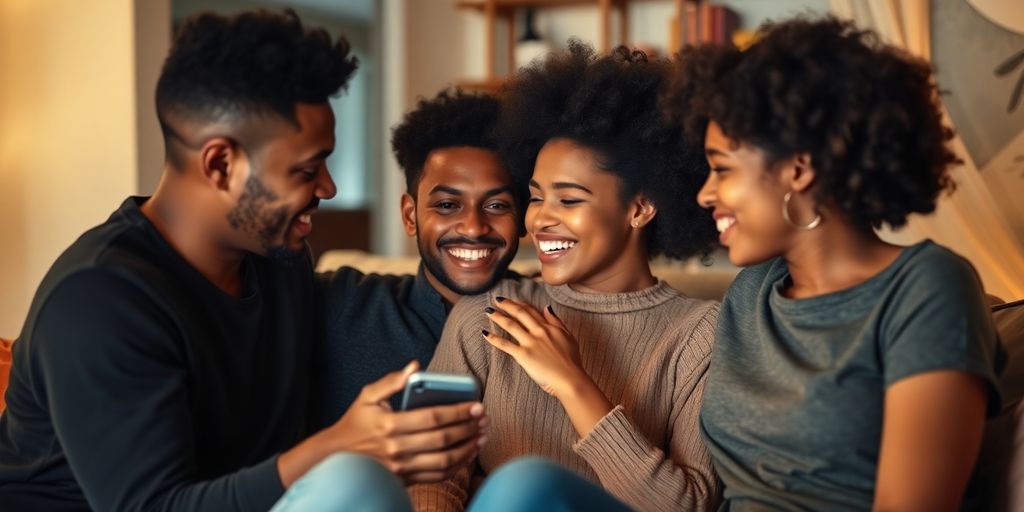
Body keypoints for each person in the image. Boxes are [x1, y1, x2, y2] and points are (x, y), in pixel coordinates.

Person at [0, 11, 483, 511]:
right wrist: (337, 446)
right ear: (221, 164)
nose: (328, 188)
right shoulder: (99, 298)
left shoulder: (279, 265)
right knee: (355, 484)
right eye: (306, 169)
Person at [663, 16, 1004, 511]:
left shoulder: (928, 289)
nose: (704, 193)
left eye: (722, 169)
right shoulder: (750, 293)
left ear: (798, 169)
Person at [409, 41, 722, 511]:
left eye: (569, 200)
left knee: (525, 483)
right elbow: (430, 474)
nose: (539, 221)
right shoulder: (487, 315)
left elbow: (687, 506)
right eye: (536, 197)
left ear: (639, 208)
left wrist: (572, 383)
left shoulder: (700, 334)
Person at [313, 88, 525, 425]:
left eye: (497, 205)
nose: (473, 227)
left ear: (523, 217)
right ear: (410, 216)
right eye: (446, 205)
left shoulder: (552, 314)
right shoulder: (340, 303)